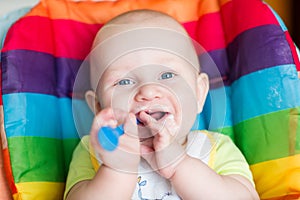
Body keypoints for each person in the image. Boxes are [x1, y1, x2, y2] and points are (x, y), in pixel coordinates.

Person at [64, 9, 259, 200]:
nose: (148, 92)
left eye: (167, 75)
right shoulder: (93, 150)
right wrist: (117, 169)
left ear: (199, 94)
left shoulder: (214, 148)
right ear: (98, 107)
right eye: (124, 82)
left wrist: (179, 165)